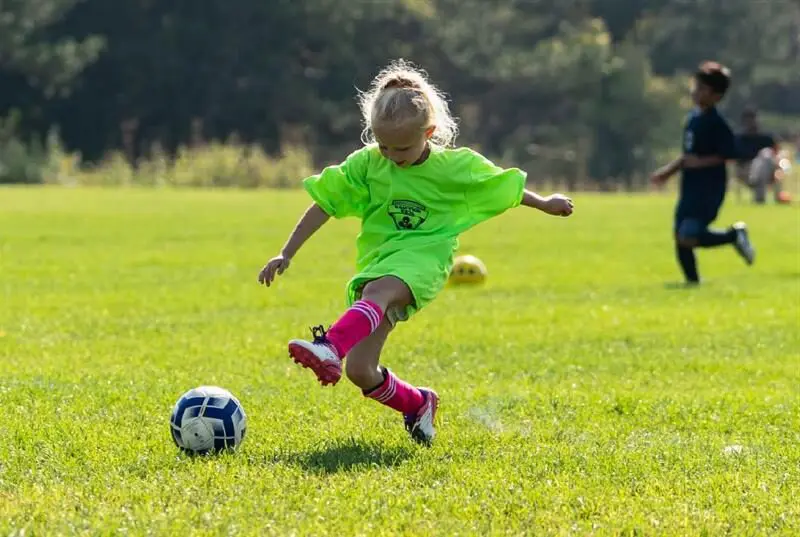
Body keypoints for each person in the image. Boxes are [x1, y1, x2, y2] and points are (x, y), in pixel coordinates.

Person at [257, 59, 574, 445]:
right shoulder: (369, 163)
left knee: (376, 297)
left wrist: (544, 203)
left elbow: (502, 187)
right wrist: (286, 252)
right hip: (378, 262)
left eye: (402, 146)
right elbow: (324, 202)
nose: (391, 154)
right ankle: (418, 402)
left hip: (425, 259)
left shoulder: (453, 168)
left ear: (430, 131)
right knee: (360, 369)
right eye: (383, 144)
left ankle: (329, 347)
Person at [651, 61, 756, 285]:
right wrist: (668, 172)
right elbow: (688, 155)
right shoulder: (693, 119)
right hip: (689, 186)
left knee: (689, 234)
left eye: (701, 89)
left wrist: (700, 163)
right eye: (696, 86)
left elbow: (728, 153)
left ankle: (733, 235)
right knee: (680, 235)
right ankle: (692, 282)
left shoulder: (716, 123)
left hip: (709, 188)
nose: (695, 92)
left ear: (716, 96)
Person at [734, 108, 781, 204]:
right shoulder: (739, 139)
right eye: (748, 119)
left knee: (766, 155)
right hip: (746, 170)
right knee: (760, 163)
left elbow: (777, 154)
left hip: (768, 171)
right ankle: (759, 196)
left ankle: (760, 196)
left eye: (753, 119)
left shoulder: (766, 138)